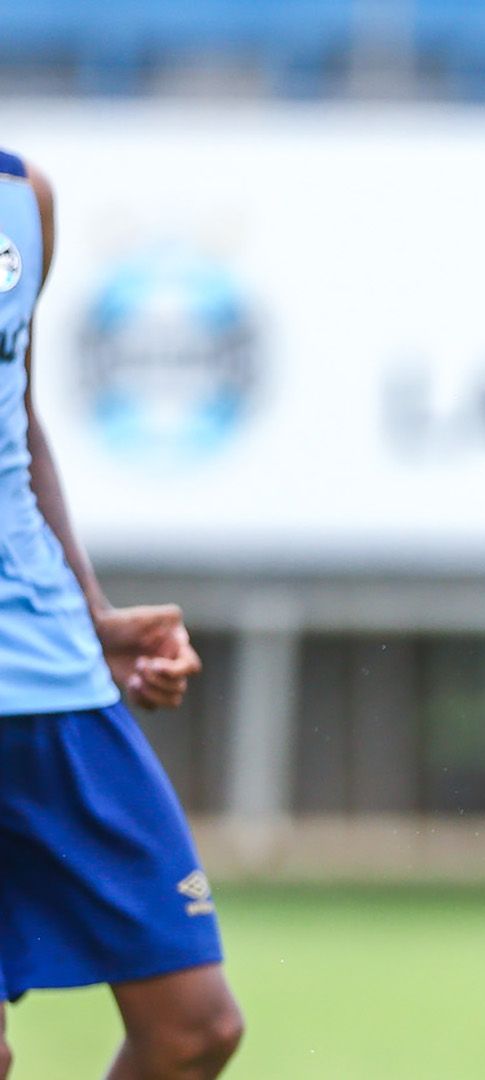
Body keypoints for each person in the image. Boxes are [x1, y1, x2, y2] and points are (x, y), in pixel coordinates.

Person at [0, 151, 240, 1079]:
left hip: (48, 667)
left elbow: (14, 412)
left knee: (194, 1030)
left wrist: (90, 614)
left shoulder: (26, 199)